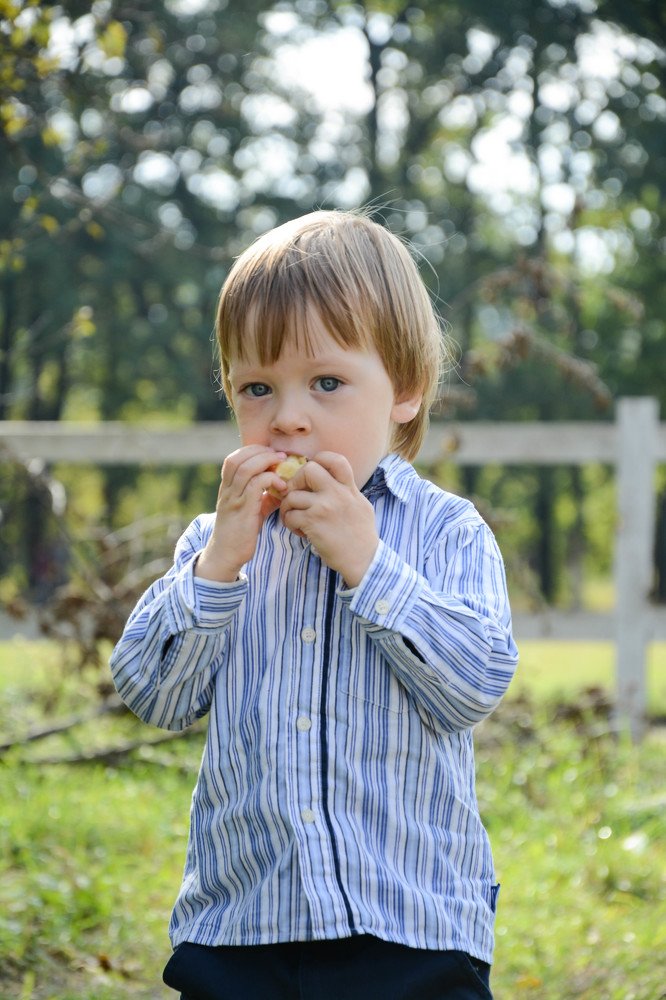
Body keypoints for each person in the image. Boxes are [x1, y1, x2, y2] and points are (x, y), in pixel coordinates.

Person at [110, 209, 518, 1000]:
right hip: (242, 929)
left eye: (326, 382)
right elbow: (153, 695)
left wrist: (368, 563)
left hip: (411, 930)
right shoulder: (217, 541)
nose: (288, 416)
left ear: (404, 390)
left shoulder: (446, 532)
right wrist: (219, 564)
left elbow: (474, 684)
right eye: (257, 388)